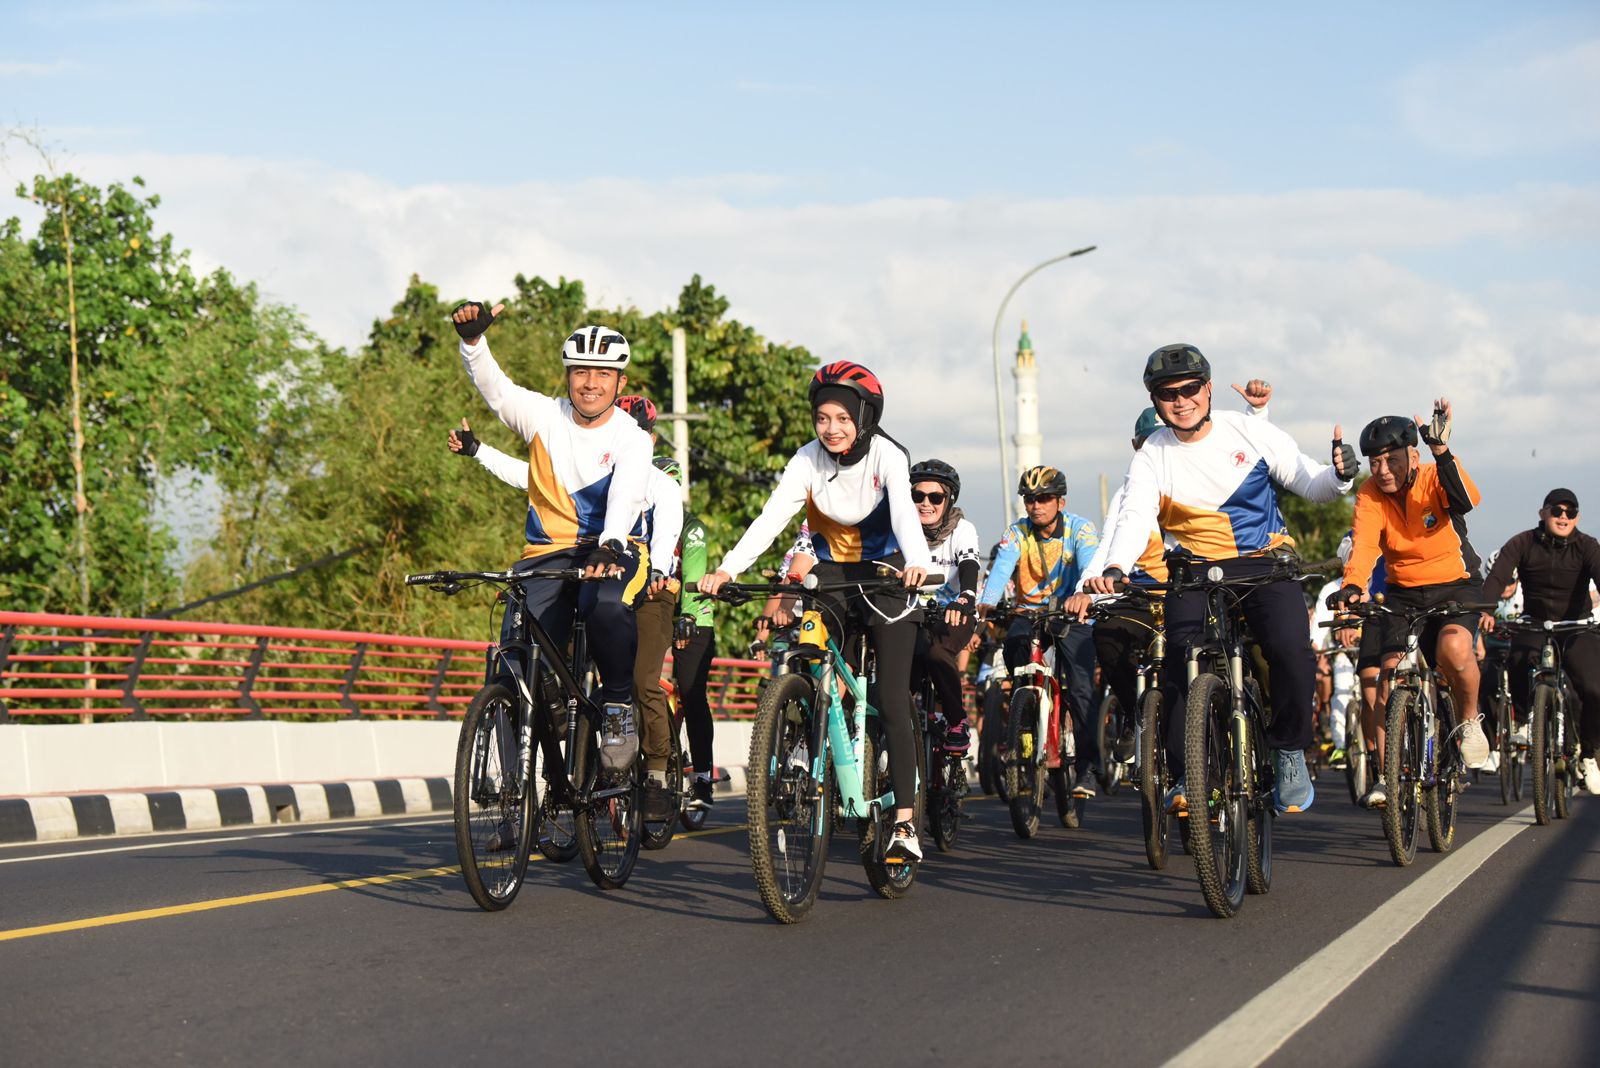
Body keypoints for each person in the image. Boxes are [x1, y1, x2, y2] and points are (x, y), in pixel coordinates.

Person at [1088, 343, 1356, 814]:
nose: (1181, 400)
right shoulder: (1153, 452)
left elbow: (1313, 485)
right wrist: (1114, 566)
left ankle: (1290, 750)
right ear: (1155, 401)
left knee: (1291, 649)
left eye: (1190, 388)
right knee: (1177, 661)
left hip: (1263, 563)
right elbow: (1134, 515)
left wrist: (1340, 477)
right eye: (1167, 393)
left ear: (1208, 388)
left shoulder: (1247, 430)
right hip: (1194, 571)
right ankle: (1188, 774)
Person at [699, 361, 932, 860]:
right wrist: (726, 569)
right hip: (831, 576)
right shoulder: (806, 461)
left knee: (891, 697)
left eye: (842, 418)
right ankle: (808, 734)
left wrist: (917, 563)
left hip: (888, 575)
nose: (831, 428)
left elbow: (905, 520)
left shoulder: (888, 456)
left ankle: (906, 826)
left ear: (864, 416)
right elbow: (770, 518)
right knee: (807, 647)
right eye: (822, 418)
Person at [452, 303, 652, 776]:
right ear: (567, 376)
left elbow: (623, 498)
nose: (590, 383)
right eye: (581, 371)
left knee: (606, 605)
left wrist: (611, 542)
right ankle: (511, 790)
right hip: (545, 553)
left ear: (620, 384)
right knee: (516, 665)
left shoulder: (633, 438)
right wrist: (474, 344)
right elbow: (496, 390)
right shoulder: (543, 416)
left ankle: (619, 708)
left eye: (603, 374)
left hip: (614, 550)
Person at [1068, 382, 1273, 766]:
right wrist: (1086, 586)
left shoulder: (1203, 479)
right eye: (1147, 444)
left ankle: (1266, 734)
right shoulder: (1130, 492)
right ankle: (1134, 713)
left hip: (1204, 588)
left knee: (1255, 652)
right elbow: (1109, 543)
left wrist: (1258, 414)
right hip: (1146, 596)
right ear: (1137, 449)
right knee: (1107, 635)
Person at [1332, 401, 1490, 772]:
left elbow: (1468, 500)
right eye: (1375, 462)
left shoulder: (1435, 475)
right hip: (1402, 591)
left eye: (1393, 460)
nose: (1383, 471)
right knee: (1388, 673)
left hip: (1455, 583)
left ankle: (1469, 721)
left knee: (1453, 649)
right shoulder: (1370, 494)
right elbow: (1366, 543)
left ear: (1413, 455)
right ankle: (1394, 776)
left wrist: (1442, 450)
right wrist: (1353, 585)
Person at [979, 465, 1101, 797]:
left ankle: (1088, 767)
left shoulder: (1081, 529)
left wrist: (1083, 595)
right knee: (1017, 656)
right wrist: (988, 602)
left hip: (1071, 613)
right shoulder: (1017, 533)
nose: (1036, 505)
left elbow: (1091, 565)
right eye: (1030, 499)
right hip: (1029, 614)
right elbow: (1002, 566)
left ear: (1060, 502)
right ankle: (1028, 726)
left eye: (1044, 498)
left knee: (1080, 688)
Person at [1480, 488, 1600, 794]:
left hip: (1575, 627)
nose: (1563, 517)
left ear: (1577, 517)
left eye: (1570, 512)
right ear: (1542, 513)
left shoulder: (1587, 546)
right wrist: (1486, 608)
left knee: (1594, 688)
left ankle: (1587, 756)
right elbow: (1498, 575)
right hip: (1535, 624)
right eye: (1556, 510)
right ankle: (1521, 721)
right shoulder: (1522, 542)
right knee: (1517, 659)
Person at [615, 395, 686, 821]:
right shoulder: (592, 473)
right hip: (607, 583)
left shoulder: (661, 482)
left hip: (654, 588)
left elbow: (667, 534)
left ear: (651, 438)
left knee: (643, 681)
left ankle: (657, 775)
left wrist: (659, 568)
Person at [906, 459, 981, 751]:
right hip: (908, 614)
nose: (926, 503)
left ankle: (957, 720)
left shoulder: (963, 528)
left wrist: (967, 597)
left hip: (952, 612)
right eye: (917, 496)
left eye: (935, 497)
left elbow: (969, 563)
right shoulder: (899, 527)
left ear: (948, 500)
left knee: (938, 653)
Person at [660, 456, 721, 810]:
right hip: (657, 611)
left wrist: (686, 615)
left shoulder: (691, 526)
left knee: (692, 692)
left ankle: (702, 778)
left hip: (692, 614)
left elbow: (695, 572)